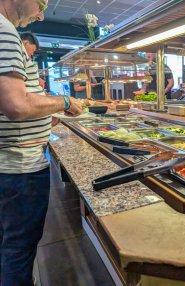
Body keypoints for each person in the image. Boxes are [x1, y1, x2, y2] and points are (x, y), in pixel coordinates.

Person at [0, 1, 82, 285]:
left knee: (9, 245)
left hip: (9, 165)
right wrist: (65, 102)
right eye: (41, 3)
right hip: (17, 167)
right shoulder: (4, 28)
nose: (41, 14)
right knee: (18, 249)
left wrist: (45, 117)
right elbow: (16, 105)